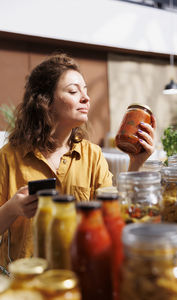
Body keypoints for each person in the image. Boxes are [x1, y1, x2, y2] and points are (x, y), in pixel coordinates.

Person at [0, 53, 156, 270]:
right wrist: (12, 209)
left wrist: (136, 163)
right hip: (25, 279)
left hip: (80, 273)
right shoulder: (8, 157)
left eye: (85, 90)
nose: (86, 98)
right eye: (73, 91)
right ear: (45, 101)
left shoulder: (93, 155)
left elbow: (113, 218)